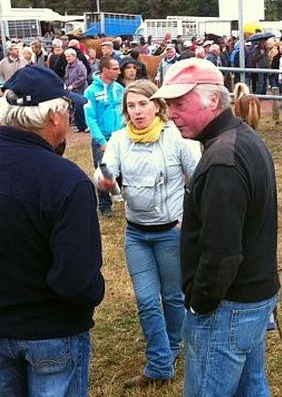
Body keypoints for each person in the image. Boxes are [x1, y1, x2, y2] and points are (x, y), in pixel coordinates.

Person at [152, 58, 280, 396]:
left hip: (229, 306)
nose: (171, 113)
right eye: (168, 105)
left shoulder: (223, 159)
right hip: (253, 297)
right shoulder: (241, 138)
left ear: (212, 99)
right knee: (252, 387)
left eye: (179, 103)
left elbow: (223, 254)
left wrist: (199, 303)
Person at [0, 65, 105, 397]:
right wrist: (93, 293)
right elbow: (77, 280)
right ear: (55, 117)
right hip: (53, 332)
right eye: (68, 108)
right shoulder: (66, 180)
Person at [95, 79, 200, 388]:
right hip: (136, 235)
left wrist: (188, 218)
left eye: (143, 103)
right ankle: (159, 364)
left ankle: (171, 350)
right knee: (146, 300)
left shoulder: (176, 138)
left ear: (157, 105)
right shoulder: (118, 139)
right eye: (131, 106)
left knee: (172, 297)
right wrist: (104, 179)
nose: (137, 111)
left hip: (171, 232)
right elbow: (105, 168)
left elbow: (200, 179)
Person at [84, 56, 125, 217]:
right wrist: (101, 140)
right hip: (102, 139)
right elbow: (90, 118)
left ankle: (123, 196)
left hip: (120, 136)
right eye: (115, 68)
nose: (119, 71)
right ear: (105, 70)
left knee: (123, 168)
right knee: (103, 171)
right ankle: (104, 205)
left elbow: (124, 112)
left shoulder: (120, 89)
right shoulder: (91, 91)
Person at [64, 48, 88, 133]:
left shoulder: (80, 65)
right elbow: (66, 77)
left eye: (69, 56)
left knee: (80, 108)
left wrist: (73, 85)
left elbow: (83, 77)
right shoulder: (67, 66)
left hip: (80, 90)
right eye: (66, 57)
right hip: (71, 91)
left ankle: (85, 126)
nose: (67, 58)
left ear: (74, 56)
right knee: (75, 109)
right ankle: (80, 126)